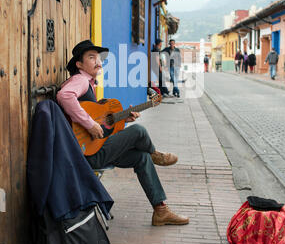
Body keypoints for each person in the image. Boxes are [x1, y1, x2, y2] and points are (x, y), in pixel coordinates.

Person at [57, 40, 189, 226]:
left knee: (141, 158)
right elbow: (64, 96)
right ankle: (155, 154)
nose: (98, 61)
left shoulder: (90, 84)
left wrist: (121, 119)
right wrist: (89, 124)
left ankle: (161, 210)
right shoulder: (79, 80)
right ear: (79, 64)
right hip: (87, 155)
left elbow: (100, 122)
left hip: (95, 150)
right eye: (91, 57)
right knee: (138, 131)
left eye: (99, 58)